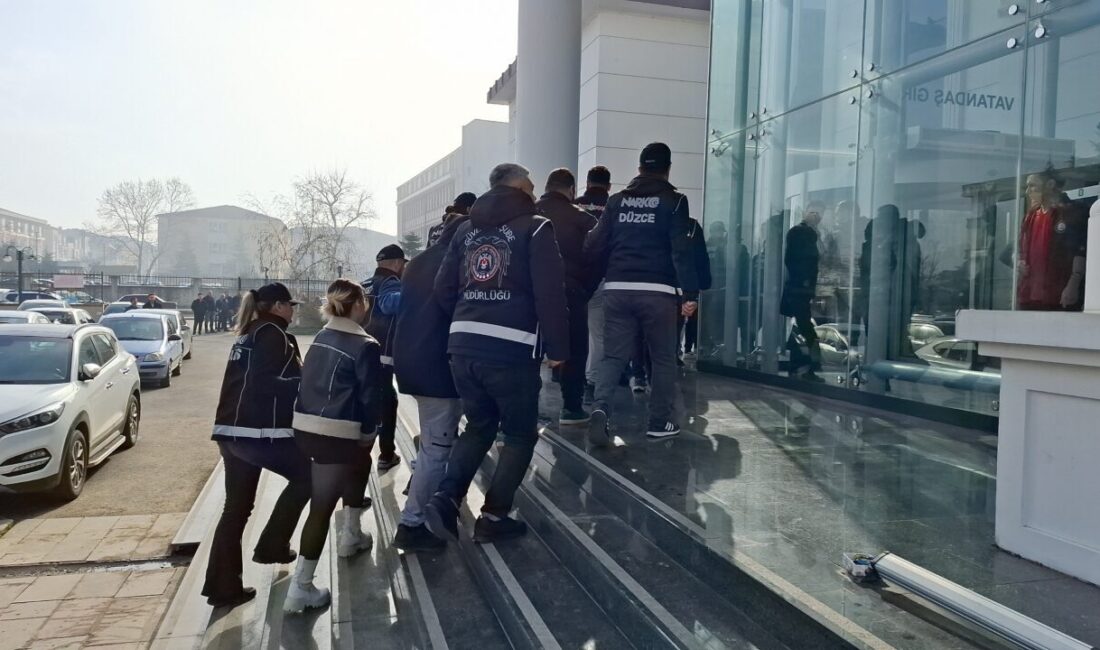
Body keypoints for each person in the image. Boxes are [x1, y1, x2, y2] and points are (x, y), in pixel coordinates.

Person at [425, 163, 569, 543]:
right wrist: (558, 348)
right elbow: (550, 294)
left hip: (463, 346)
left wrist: (466, 322)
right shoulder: (536, 228)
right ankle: (493, 516)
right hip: (511, 348)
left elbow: (443, 289)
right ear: (517, 187)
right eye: (530, 187)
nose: (534, 194)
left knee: (478, 425)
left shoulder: (464, 230)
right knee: (519, 434)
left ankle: (445, 498)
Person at [202, 282, 311, 609]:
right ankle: (272, 545)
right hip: (257, 432)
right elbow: (263, 382)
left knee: (236, 508)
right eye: (290, 305)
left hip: (230, 432)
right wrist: (304, 383)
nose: (293, 311)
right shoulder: (272, 334)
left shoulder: (248, 332)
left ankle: (223, 587)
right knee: (308, 476)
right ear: (277, 306)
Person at [585, 142, 700, 443]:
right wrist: (690, 294)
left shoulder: (616, 201)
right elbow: (681, 249)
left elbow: (594, 243)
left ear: (639, 169)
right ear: (668, 169)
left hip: (618, 288)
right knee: (662, 358)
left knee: (613, 356)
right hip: (658, 292)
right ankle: (659, 422)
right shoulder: (675, 201)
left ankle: (600, 408)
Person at [285, 279, 382, 613]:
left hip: (305, 426)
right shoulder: (365, 345)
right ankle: (301, 587)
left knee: (361, 465)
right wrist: (369, 433)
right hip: (337, 432)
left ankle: (352, 534)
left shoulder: (321, 336)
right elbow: (370, 397)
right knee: (322, 508)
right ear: (358, 305)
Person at [391, 208, 471, 553]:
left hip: (412, 363)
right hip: (438, 368)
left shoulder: (418, 263)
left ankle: (429, 498)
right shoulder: (456, 262)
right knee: (436, 450)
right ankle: (412, 524)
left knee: (434, 444)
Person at [536, 168, 598, 425]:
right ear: (572, 190)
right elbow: (598, 254)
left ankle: (527, 408)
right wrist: (585, 288)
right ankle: (571, 408)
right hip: (570, 291)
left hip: (530, 291)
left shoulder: (528, 213)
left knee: (530, 348)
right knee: (575, 348)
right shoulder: (582, 218)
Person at [1017, 169, 1087, 311]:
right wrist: (1018, 262)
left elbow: (1081, 251)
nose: (1028, 192)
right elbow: (1016, 248)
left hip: (1060, 296)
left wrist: (1073, 284)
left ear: (1050, 184)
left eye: (1032, 186)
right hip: (1029, 296)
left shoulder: (1073, 212)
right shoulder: (1030, 216)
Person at [363, 244, 406, 471]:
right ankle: (386, 454)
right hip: (382, 354)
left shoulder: (365, 284)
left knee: (368, 398)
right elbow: (389, 305)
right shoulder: (391, 282)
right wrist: (415, 292)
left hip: (361, 352)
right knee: (387, 401)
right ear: (397, 263)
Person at [577, 166, 612, 401]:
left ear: (588, 183)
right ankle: (593, 380)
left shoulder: (575, 205)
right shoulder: (614, 206)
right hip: (604, 276)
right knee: (598, 333)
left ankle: (571, 375)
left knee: (576, 331)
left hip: (576, 277)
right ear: (608, 186)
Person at [780, 202, 825, 382]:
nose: (816, 216)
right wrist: (805, 283)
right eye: (813, 212)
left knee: (801, 325)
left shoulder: (808, 233)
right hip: (800, 288)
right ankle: (806, 365)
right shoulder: (802, 233)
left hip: (800, 287)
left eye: (819, 213)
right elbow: (804, 261)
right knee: (804, 326)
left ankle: (800, 364)